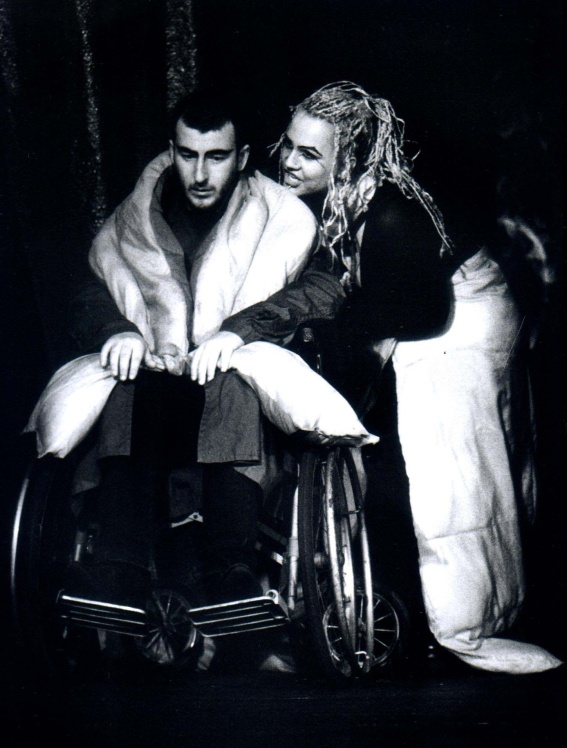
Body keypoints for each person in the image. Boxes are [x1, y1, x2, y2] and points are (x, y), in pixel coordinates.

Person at [226, 81, 560, 674]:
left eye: (310, 154)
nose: (291, 161)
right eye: (289, 146)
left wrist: (341, 332)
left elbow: (422, 311)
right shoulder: (347, 197)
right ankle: (448, 611)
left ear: (348, 159)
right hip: (428, 313)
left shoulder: (388, 212)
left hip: (462, 323)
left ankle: (465, 624)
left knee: (451, 479)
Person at [27, 88, 345, 612]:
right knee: (123, 386)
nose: (200, 174)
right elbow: (90, 287)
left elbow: (322, 290)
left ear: (241, 158)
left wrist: (239, 331)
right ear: (171, 151)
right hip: (154, 380)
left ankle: (230, 572)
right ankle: (119, 571)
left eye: (216, 157)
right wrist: (116, 329)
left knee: (234, 386)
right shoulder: (136, 215)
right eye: (188, 155)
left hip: (228, 388)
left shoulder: (284, 216)